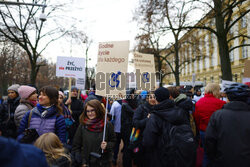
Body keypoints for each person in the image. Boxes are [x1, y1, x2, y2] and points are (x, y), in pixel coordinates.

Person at [143, 87, 196, 167]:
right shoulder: (180, 111)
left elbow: (148, 142)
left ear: (157, 99)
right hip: (180, 155)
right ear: (169, 97)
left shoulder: (155, 116)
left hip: (162, 157)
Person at [205, 83, 250, 167]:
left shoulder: (217, 115)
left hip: (222, 160)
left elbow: (209, 141)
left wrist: (214, 159)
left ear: (228, 98)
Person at [72, 99, 116, 167]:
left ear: (98, 110)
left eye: (92, 110)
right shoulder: (83, 125)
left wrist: (107, 145)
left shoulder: (107, 125)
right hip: (86, 162)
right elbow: (76, 145)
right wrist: (82, 161)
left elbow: (113, 141)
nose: (90, 113)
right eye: (88, 111)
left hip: (102, 162)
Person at [194, 83, 226, 167]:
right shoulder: (221, 103)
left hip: (203, 131)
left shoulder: (199, 102)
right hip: (218, 132)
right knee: (218, 154)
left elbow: (196, 119)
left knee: (206, 154)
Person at [132, 91, 156, 167]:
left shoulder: (158, 109)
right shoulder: (141, 108)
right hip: (141, 140)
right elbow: (135, 123)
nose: (153, 99)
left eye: (155, 97)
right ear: (147, 99)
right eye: (151, 97)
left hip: (154, 141)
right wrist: (147, 119)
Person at [121, 88, 138, 167]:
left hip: (131, 129)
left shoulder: (130, 103)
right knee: (128, 148)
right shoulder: (125, 105)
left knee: (132, 146)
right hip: (128, 129)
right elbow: (134, 113)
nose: (133, 95)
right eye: (132, 94)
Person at [109, 97, 123, 166]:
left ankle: (114, 158)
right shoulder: (127, 103)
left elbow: (111, 115)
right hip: (125, 129)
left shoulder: (115, 104)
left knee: (117, 144)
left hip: (117, 128)